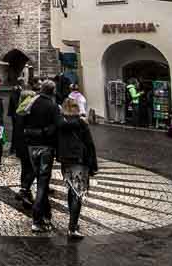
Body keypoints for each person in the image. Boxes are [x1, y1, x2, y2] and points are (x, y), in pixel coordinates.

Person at [57, 96, 98, 239]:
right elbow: (90, 144)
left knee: (71, 190)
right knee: (78, 193)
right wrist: (94, 165)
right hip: (79, 161)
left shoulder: (60, 123)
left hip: (65, 161)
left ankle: (72, 222)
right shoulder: (81, 123)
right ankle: (72, 227)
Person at [25, 80, 60, 233]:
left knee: (41, 180)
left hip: (31, 146)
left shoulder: (31, 102)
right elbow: (56, 126)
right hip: (45, 147)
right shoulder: (52, 106)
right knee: (42, 183)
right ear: (52, 91)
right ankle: (37, 219)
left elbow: (22, 118)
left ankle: (46, 212)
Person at [13, 87, 37, 206]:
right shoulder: (26, 112)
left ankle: (26, 193)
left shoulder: (19, 111)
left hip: (21, 145)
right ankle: (25, 190)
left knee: (25, 168)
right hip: (28, 144)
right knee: (33, 168)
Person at [7, 77, 24, 153]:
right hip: (16, 113)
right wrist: (17, 111)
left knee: (17, 130)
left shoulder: (17, 89)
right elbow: (14, 102)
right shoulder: (16, 89)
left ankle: (15, 147)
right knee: (16, 131)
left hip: (16, 113)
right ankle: (14, 148)